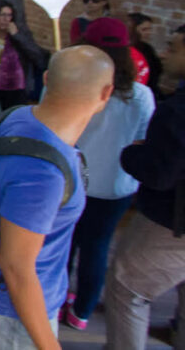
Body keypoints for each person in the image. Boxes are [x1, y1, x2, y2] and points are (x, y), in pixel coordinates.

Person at [0, 46, 115, 350]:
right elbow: (16, 267)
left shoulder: (20, 116)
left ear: (45, 78)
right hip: (12, 309)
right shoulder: (43, 173)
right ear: (106, 93)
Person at [60, 18, 154, 331]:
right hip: (116, 185)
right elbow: (142, 141)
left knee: (65, 244)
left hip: (74, 180)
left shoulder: (73, 87)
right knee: (97, 248)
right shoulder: (141, 95)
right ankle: (82, 312)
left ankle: (57, 301)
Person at [105, 24, 185, 350]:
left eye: (174, 47)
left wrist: (133, 153)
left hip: (171, 222)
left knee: (127, 288)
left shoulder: (177, 111)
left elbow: (160, 173)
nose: (164, 54)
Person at [127, 12, 164, 100]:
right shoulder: (126, 50)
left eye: (149, 29)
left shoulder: (148, 48)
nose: (148, 33)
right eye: (144, 30)